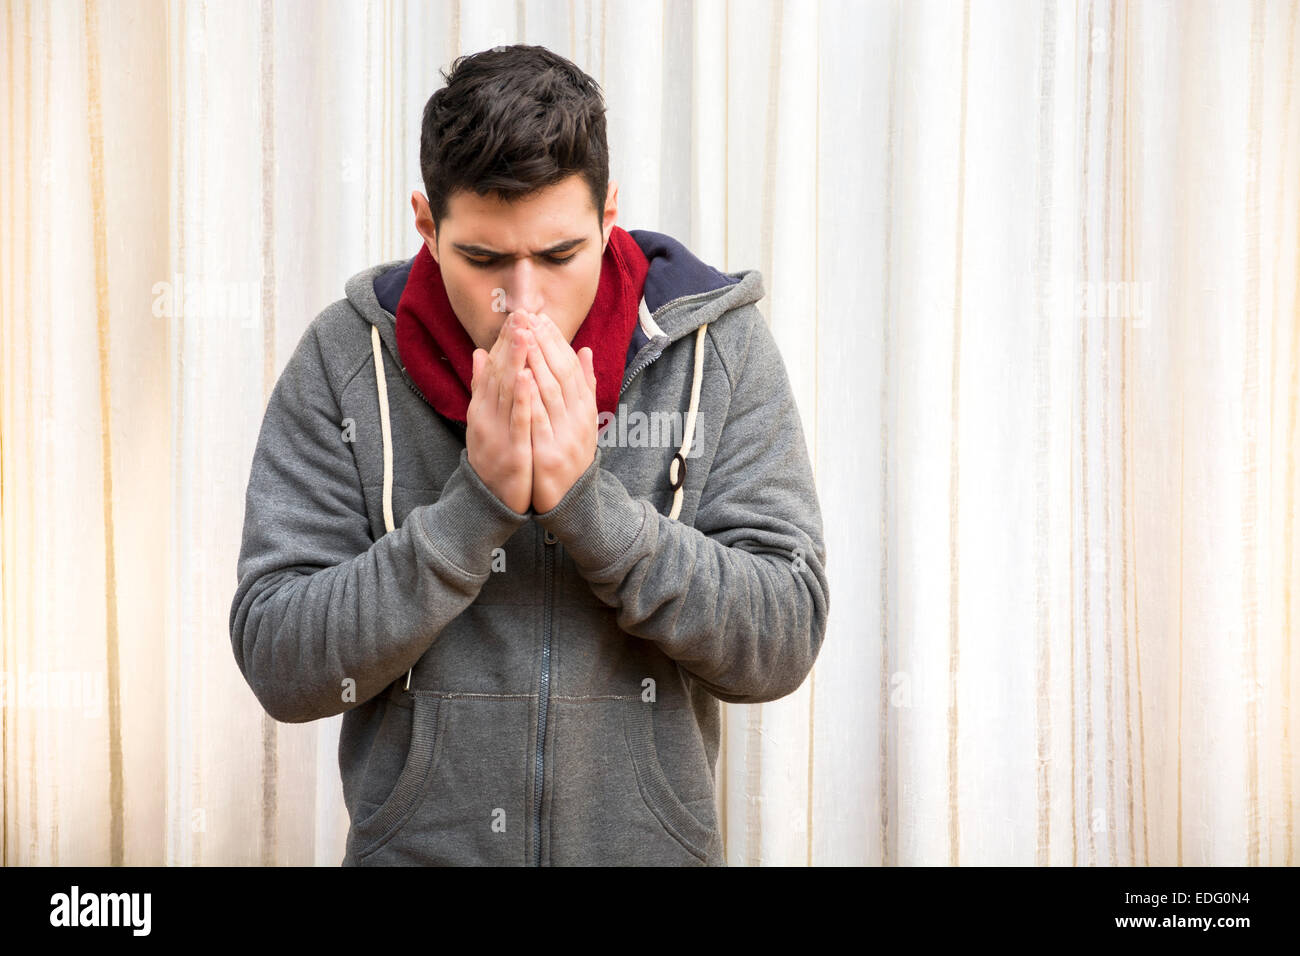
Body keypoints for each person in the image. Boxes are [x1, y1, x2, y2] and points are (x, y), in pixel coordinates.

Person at [228, 43, 829, 866]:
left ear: (608, 216)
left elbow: (783, 637)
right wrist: (474, 509)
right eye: (482, 259)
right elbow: (278, 659)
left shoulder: (716, 351)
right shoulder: (346, 359)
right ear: (427, 225)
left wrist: (592, 507)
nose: (524, 299)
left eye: (558, 255)